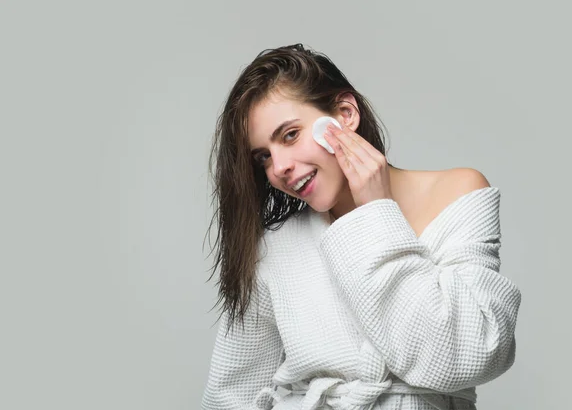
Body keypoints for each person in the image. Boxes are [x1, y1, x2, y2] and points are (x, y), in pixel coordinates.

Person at [201, 43, 521, 410]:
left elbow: (469, 354)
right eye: (264, 157)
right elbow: (230, 395)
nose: (280, 168)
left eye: (290, 135)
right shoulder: (275, 247)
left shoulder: (457, 193)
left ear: (344, 114)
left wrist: (376, 212)